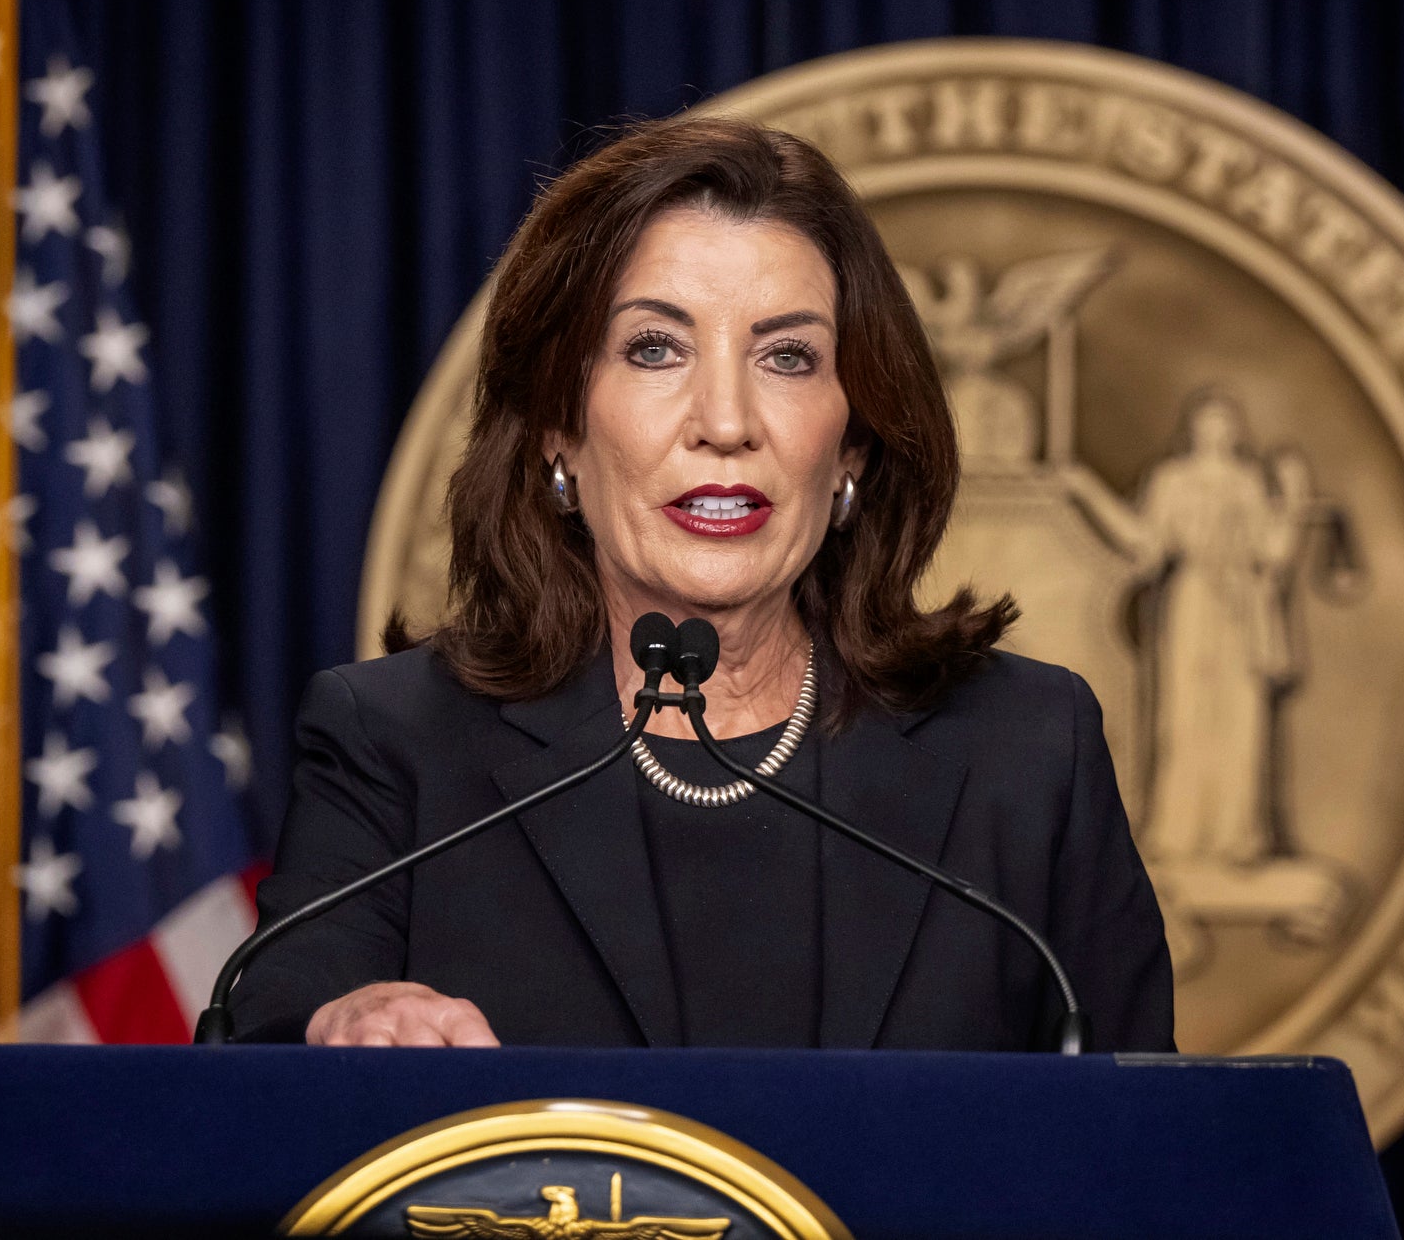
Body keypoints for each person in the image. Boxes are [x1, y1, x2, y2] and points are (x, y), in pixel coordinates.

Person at [228, 117, 1174, 1052]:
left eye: (787, 356)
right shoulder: (395, 744)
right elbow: (267, 1058)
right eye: (655, 349)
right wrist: (339, 1023)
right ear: (560, 428)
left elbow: (1157, 1162)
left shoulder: (1030, 751)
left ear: (851, 444)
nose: (725, 422)